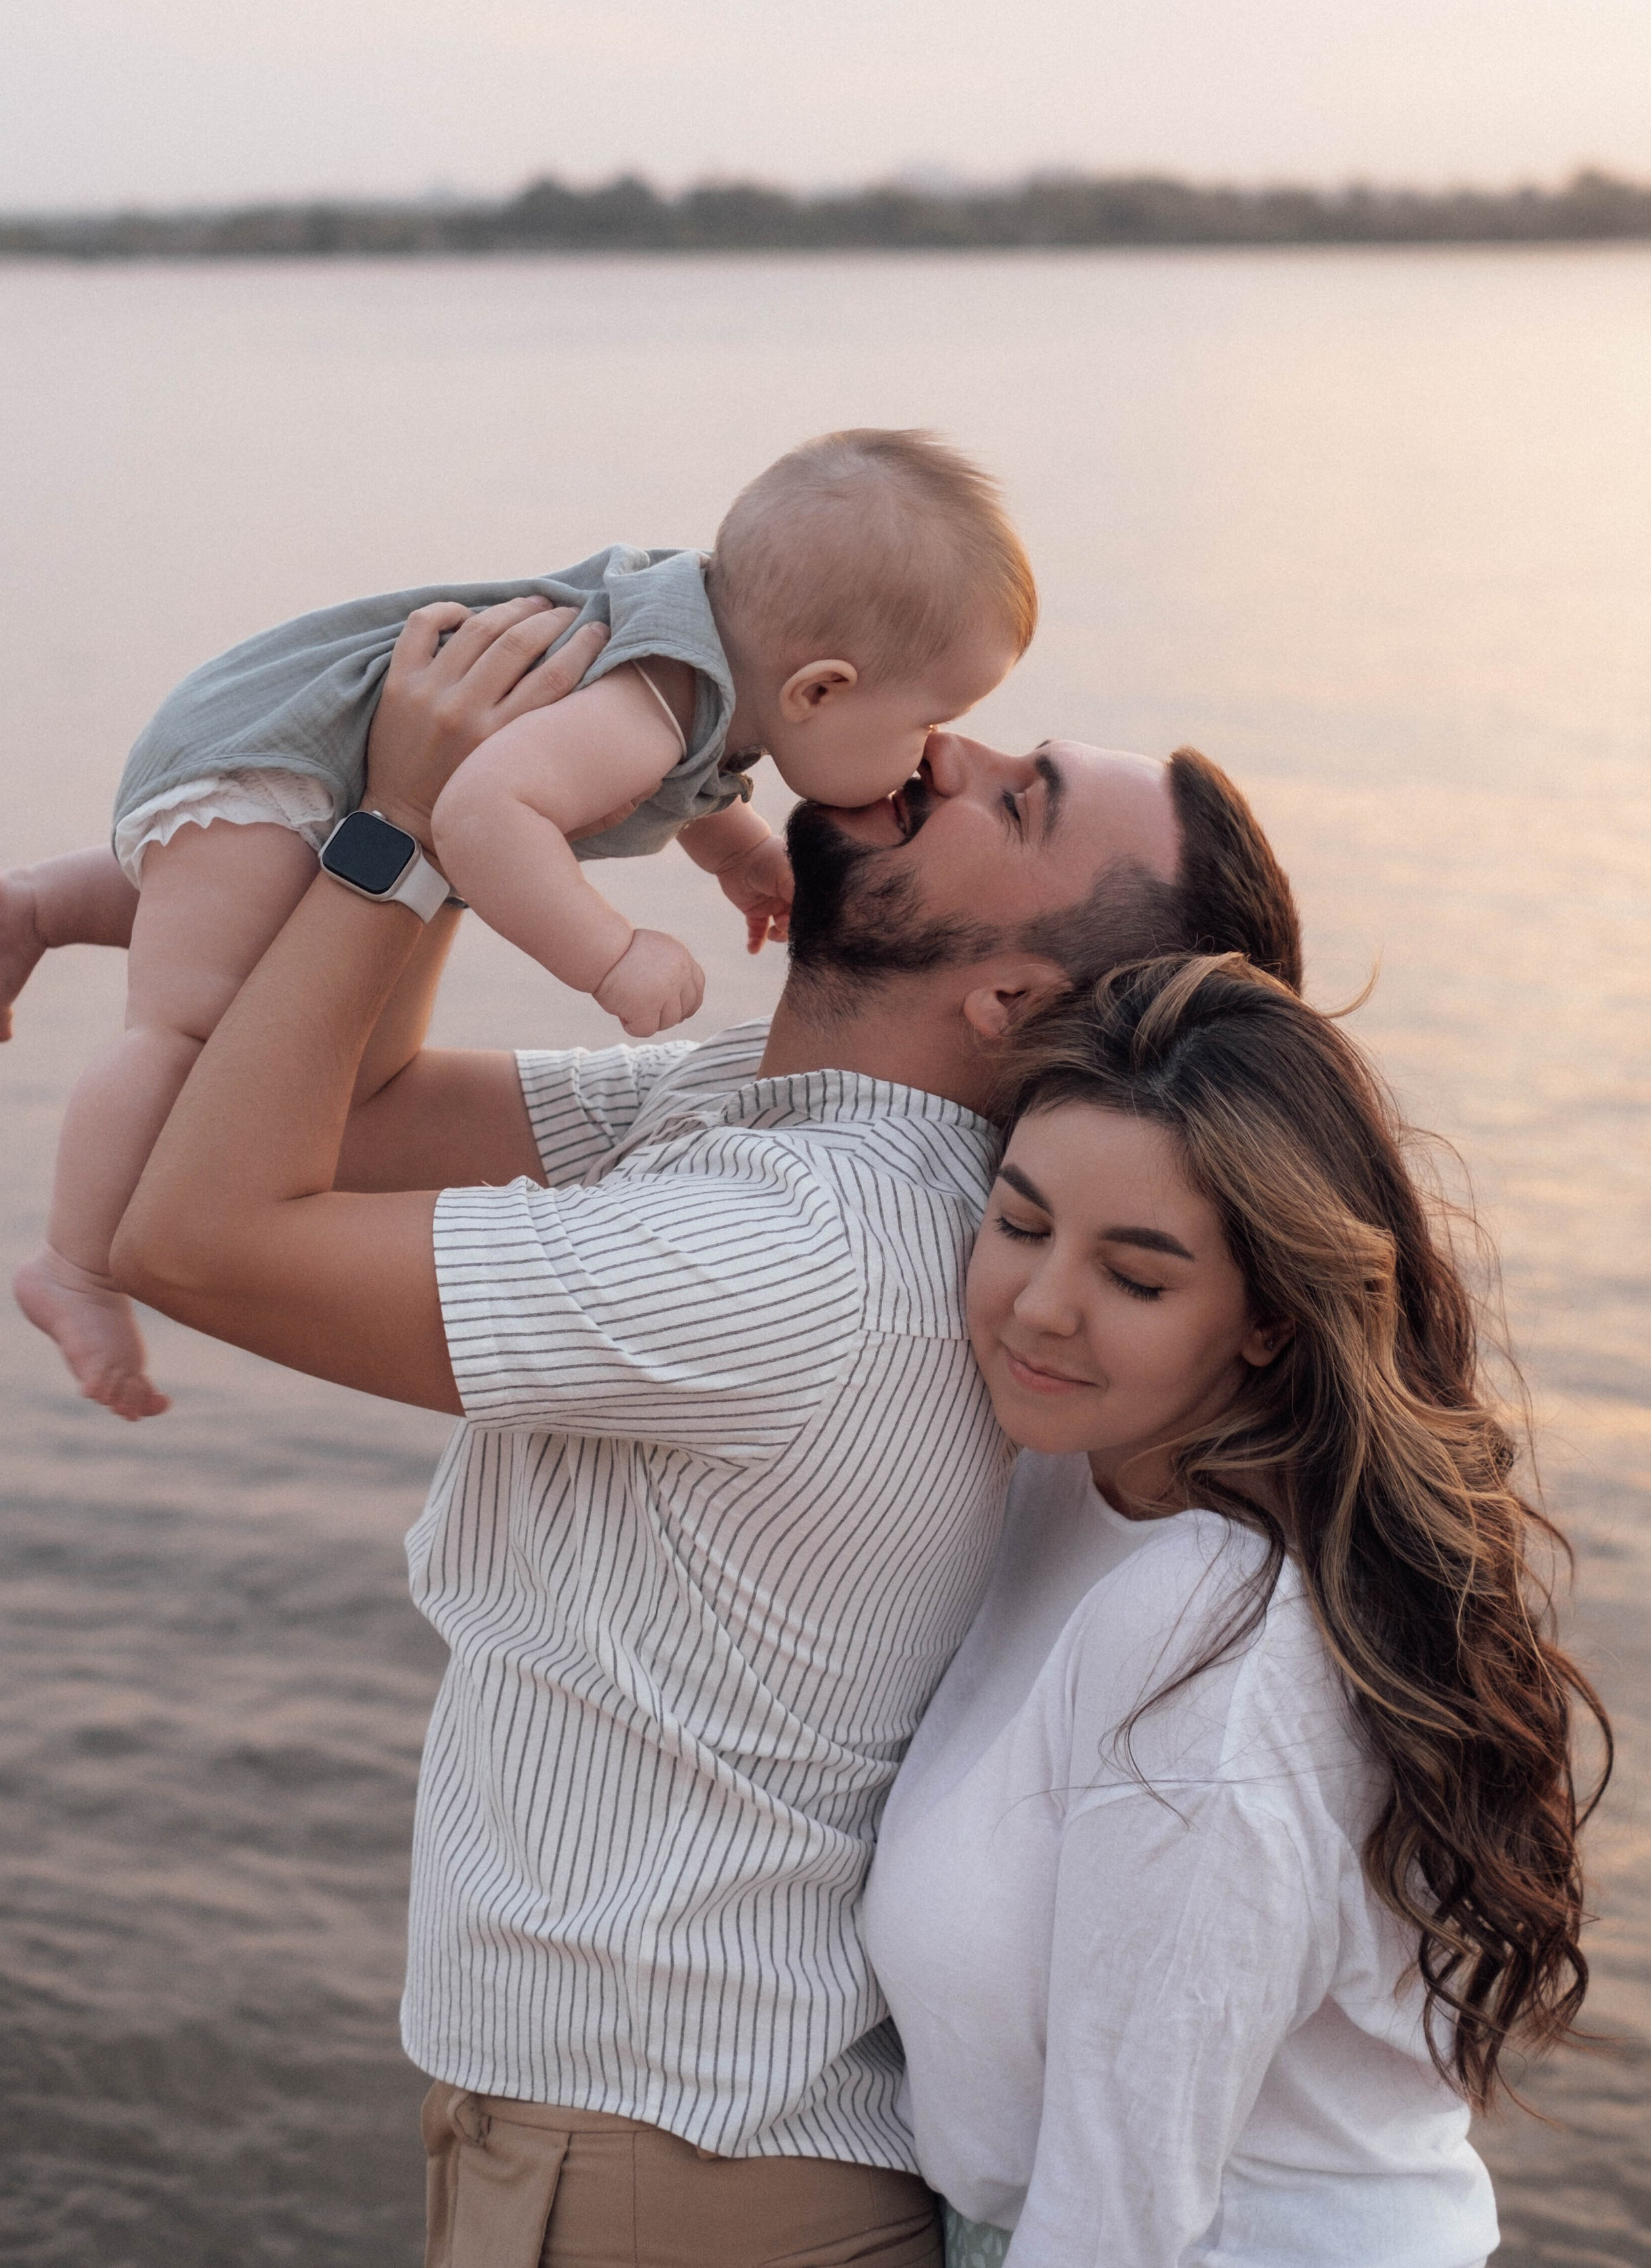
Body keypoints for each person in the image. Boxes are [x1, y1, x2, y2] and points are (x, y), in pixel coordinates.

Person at [99, 601, 1302, 2268]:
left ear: (1008, 992)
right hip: (640, 2135)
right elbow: (352, 1118)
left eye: (1013, 799)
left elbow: (196, 1241)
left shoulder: (793, 1257)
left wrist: (404, 827)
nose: (945, 745)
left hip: (674, 2170)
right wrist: (481, 815)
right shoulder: (751, 1106)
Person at [0, 428, 1034, 1420]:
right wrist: (610, 955)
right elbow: (480, 810)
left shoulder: (706, 669)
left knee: (235, 917)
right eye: (929, 718)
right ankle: (71, 1265)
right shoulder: (654, 706)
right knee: (192, 1030)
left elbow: (696, 789)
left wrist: (744, 858)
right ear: (819, 689)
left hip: (272, 750)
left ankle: (31, 903)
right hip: (275, 762)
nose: (933, 752)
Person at [864, 952, 1610, 2268]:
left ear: (1267, 1318)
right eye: (1019, 1223)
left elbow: (1123, 2211)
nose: (1038, 1308)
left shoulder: (1204, 1632)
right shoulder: (1061, 1472)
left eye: (1136, 1279)